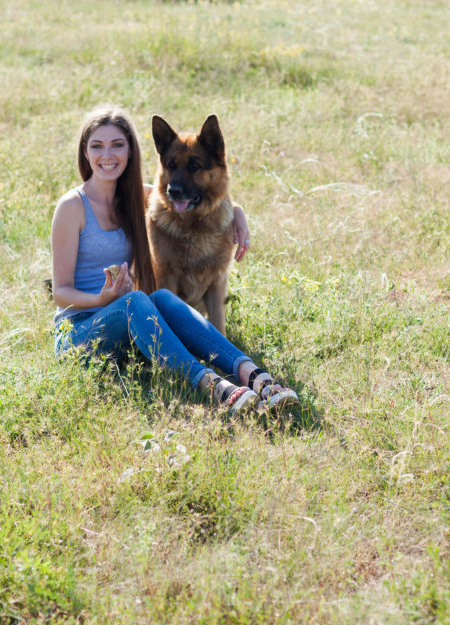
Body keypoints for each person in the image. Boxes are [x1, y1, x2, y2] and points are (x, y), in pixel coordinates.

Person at [50, 105, 298, 414]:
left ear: (131, 152)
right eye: (97, 146)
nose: (107, 155)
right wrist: (102, 298)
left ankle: (256, 376)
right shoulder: (72, 207)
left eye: (117, 145)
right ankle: (214, 386)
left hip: (129, 324)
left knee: (162, 298)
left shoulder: (133, 195)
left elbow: (204, 195)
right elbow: (60, 293)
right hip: (79, 334)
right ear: (85, 153)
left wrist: (237, 212)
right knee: (138, 300)